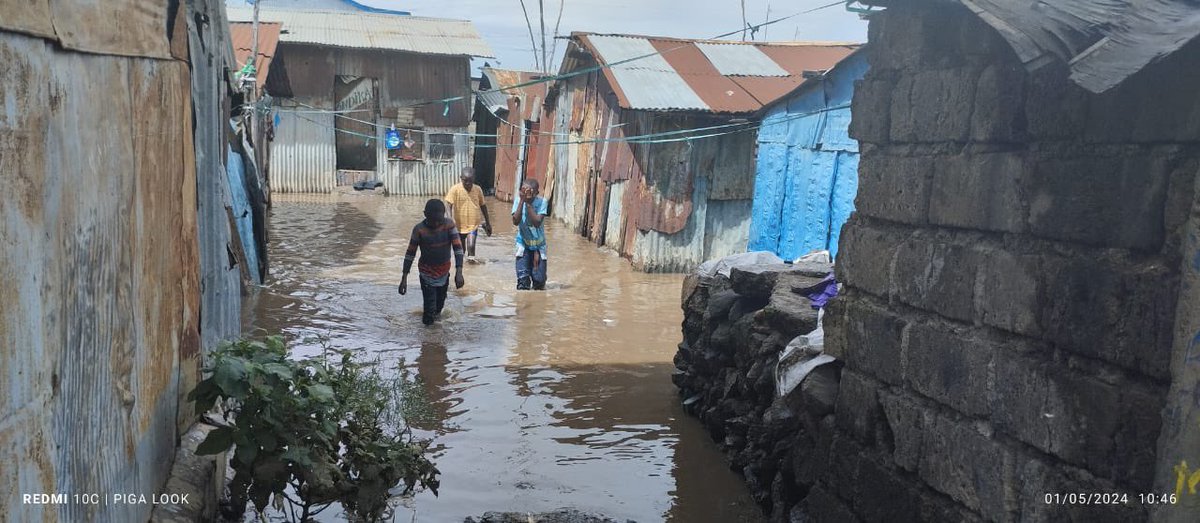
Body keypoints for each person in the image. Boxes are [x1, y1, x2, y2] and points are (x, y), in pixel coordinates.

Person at [399, 199, 465, 325]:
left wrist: (459, 272)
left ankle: (436, 337)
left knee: (439, 306)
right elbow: (410, 254)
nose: (435, 224)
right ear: (425, 214)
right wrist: (404, 278)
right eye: (432, 220)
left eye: (439, 220)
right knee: (429, 309)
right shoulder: (419, 230)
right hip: (426, 274)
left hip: (444, 273)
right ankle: (428, 339)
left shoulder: (449, 225)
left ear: (444, 215)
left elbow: (458, 249)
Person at [444, 167, 492, 262]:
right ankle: (463, 269)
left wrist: (488, 222)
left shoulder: (478, 189)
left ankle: (471, 265)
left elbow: (483, 206)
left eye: (470, 181)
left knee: (471, 246)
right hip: (459, 226)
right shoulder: (455, 189)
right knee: (461, 250)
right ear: (461, 178)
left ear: (474, 179)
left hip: (473, 224)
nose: (468, 183)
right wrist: (450, 219)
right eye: (465, 181)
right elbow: (448, 204)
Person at [511, 179, 548, 290]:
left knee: (539, 283)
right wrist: (522, 201)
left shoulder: (542, 202)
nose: (526, 194)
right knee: (523, 282)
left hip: (539, 245)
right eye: (523, 191)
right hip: (523, 244)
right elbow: (515, 221)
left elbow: (537, 222)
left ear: (536, 193)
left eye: (530, 192)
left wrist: (528, 204)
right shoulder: (518, 201)